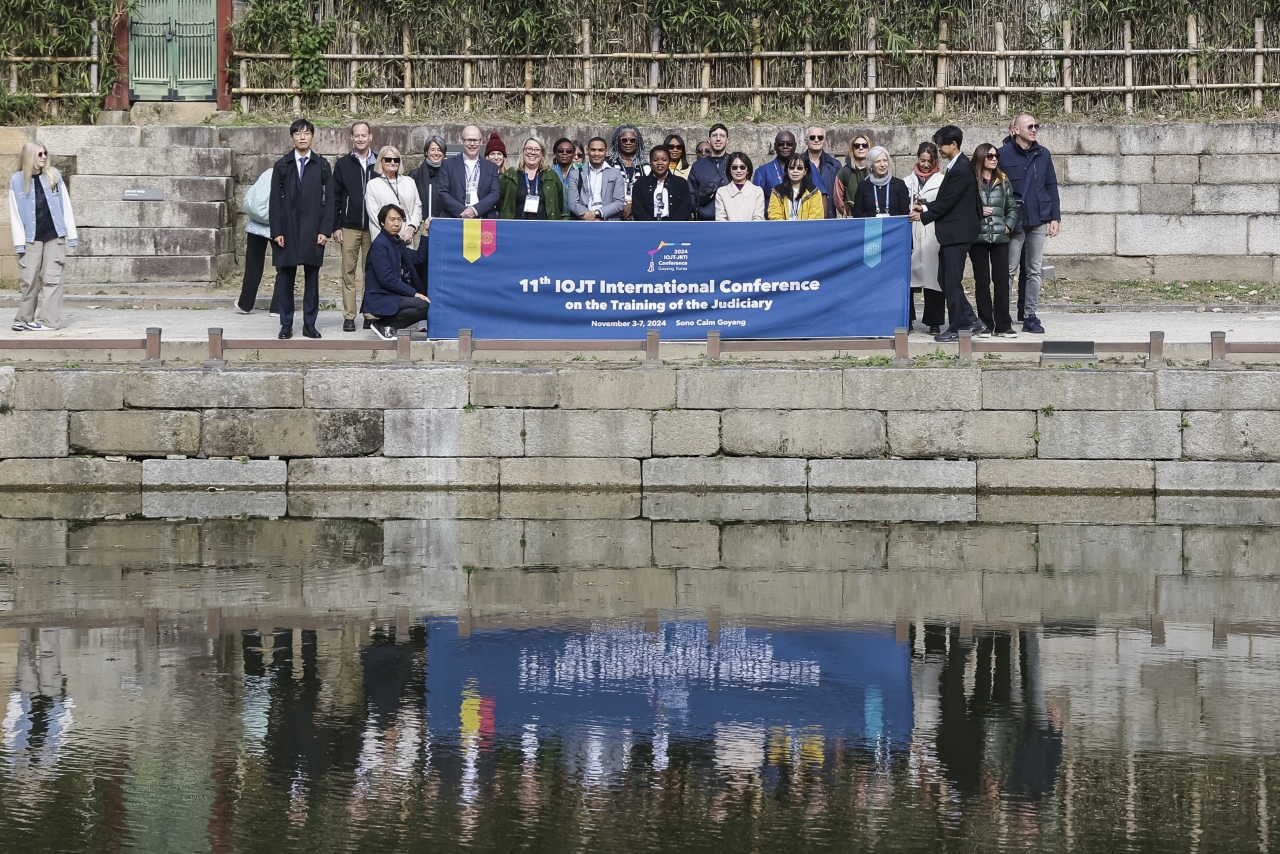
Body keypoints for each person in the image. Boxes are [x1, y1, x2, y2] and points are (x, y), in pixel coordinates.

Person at [910, 125, 981, 343]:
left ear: (954, 145)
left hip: (957, 233)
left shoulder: (960, 168)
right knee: (945, 278)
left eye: (941, 144)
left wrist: (924, 215)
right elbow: (947, 199)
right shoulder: (956, 165)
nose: (939, 148)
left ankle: (959, 325)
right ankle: (971, 319)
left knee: (951, 280)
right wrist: (926, 207)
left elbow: (948, 202)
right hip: (952, 232)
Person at [269, 118, 332, 340]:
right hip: (287, 229)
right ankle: (286, 324)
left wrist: (325, 230)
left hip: (313, 230)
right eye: (298, 133)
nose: (302, 137)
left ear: (312, 136)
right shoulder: (282, 166)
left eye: (306, 133)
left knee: (312, 278)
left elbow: (330, 201)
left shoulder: (322, 166)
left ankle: (309, 324)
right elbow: (274, 202)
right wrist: (276, 231)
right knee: (285, 277)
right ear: (292, 137)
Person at [998, 113, 1061, 334]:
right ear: (1015, 131)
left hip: (1038, 218)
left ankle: (1030, 315)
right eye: (1029, 126)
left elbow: (1051, 185)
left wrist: (1055, 217)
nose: (1034, 130)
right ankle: (1002, 315)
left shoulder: (1043, 154)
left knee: (1034, 270)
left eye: (1036, 126)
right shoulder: (1002, 154)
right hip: (1014, 220)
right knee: (1008, 270)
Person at [8, 141, 75, 331]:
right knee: (28, 279)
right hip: (30, 238)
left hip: (54, 236)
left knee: (53, 279)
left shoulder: (54, 176)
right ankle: (23, 319)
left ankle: (48, 321)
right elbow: (15, 214)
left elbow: (66, 206)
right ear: (30, 156)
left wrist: (71, 234)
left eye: (45, 153)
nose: (44, 157)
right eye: (39, 154)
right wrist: (19, 243)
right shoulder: (16, 180)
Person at [331, 121, 378, 332]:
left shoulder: (379, 162)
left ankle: (369, 314)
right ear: (352, 138)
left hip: (374, 226)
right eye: (356, 135)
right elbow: (335, 197)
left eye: (364, 135)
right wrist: (335, 225)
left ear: (370, 137)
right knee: (348, 272)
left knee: (371, 271)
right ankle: (349, 316)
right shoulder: (342, 164)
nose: (360, 138)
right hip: (349, 226)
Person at [970, 143, 1019, 337]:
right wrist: (978, 211)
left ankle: (1003, 324)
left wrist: (1008, 225)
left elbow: (1012, 207)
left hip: (1000, 237)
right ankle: (985, 323)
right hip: (977, 237)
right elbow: (964, 206)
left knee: (1001, 281)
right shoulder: (972, 181)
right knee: (982, 281)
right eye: (990, 156)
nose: (994, 159)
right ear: (981, 157)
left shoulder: (1003, 180)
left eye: (996, 155)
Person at [362, 203, 430, 341]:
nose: (397, 223)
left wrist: (425, 232)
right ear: (382, 222)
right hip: (380, 297)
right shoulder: (379, 245)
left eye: (399, 219)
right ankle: (383, 325)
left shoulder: (396, 242)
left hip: (394, 295)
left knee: (428, 305)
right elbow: (387, 279)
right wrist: (415, 294)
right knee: (423, 305)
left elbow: (419, 258)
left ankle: (386, 326)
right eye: (392, 219)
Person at [903, 142, 947, 333]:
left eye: (930, 161)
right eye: (922, 160)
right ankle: (908, 319)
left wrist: (926, 209)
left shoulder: (942, 181)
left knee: (934, 278)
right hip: (912, 231)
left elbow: (945, 205)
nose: (926, 165)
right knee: (908, 279)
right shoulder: (906, 182)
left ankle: (934, 321)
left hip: (932, 232)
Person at [234, 168, 285, 317]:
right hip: (279, 229)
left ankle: (245, 304)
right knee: (284, 268)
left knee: (253, 266)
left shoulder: (267, 172)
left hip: (256, 226)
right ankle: (277, 307)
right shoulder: (292, 175)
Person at [438, 125, 501, 219]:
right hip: (455, 218)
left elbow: (494, 194)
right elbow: (442, 193)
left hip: (482, 218)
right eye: (468, 140)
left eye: (475, 140)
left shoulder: (491, 167)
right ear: (461, 140)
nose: (472, 144)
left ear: (481, 141)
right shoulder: (448, 165)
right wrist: (464, 212)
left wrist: (475, 210)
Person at [498, 137, 567, 220]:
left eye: (537, 149)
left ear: (542, 154)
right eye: (529, 149)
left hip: (544, 228)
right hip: (515, 228)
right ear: (523, 151)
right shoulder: (509, 175)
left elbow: (559, 202)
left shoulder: (551, 175)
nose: (533, 152)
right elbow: (500, 202)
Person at [365, 145, 422, 244]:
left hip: (406, 236)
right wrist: (393, 233)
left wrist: (411, 228)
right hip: (383, 236)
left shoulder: (409, 181)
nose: (392, 162)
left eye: (396, 160)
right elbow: (374, 214)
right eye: (388, 159)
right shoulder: (373, 184)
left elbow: (417, 207)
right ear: (381, 161)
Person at [567, 137, 626, 221]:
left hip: (609, 222)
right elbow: (572, 204)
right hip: (584, 221)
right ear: (587, 151)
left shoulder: (616, 173)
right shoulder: (575, 174)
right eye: (593, 150)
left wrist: (596, 214)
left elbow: (619, 203)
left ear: (606, 152)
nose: (596, 153)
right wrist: (590, 217)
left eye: (600, 150)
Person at [632, 145, 691, 221]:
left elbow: (686, 207)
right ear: (650, 162)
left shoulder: (681, 183)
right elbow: (637, 209)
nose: (660, 163)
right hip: (648, 228)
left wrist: (671, 225)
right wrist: (651, 226)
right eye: (655, 160)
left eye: (664, 160)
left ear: (669, 161)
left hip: (674, 228)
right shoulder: (640, 184)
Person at [850, 145, 911, 218]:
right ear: (871, 165)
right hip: (871, 228)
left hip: (893, 228)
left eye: (885, 161)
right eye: (878, 161)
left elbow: (905, 215)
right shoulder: (863, 186)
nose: (882, 165)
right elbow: (857, 216)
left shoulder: (899, 185)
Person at [688, 124, 730, 221]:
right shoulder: (698, 166)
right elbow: (691, 194)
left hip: (731, 221)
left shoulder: (735, 163)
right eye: (714, 135)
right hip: (705, 221)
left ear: (727, 140)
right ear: (709, 140)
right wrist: (698, 210)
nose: (718, 139)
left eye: (722, 136)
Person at [608, 125, 649, 219]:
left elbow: (650, 192)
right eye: (624, 140)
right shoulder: (608, 164)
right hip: (613, 215)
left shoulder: (646, 167)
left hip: (639, 215)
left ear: (637, 142)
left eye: (632, 140)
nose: (628, 143)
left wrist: (633, 206)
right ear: (618, 142)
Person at [766, 155, 823, 221]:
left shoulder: (814, 192)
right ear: (787, 170)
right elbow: (774, 215)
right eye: (791, 168)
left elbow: (816, 218)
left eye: (799, 168)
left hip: (807, 230)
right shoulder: (777, 191)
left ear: (805, 171)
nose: (795, 171)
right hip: (783, 229)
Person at [803, 126, 841, 218]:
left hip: (829, 218)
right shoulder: (797, 165)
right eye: (812, 137)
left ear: (825, 140)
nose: (816, 140)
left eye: (820, 137)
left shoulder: (835, 165)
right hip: (804, 219)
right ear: (806, 140)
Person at [715, 152, 765, 222]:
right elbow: (720, 219)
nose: (738, 170)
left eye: (742, 167)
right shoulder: (721, 192)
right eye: (734, 167)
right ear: (729, 170)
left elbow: (758, 219)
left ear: (748, 170)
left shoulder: (757, 191)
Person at [409, 134, 447, 221]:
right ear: (426, 152)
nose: (436, 153)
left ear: (444, 153)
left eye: (440, 150)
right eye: (432, 150)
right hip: (421, 223)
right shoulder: (415, 175)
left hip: (444, 224)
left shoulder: (450, 175)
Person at [834, 132, 873, 217]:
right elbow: (838, 199)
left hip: (872, 218)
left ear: (869, 148)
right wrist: (848, 213)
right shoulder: (844, 173)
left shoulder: (876, 171)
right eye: (857, 146)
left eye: (864, 145)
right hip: (852, 218)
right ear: (852, 149)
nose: (861, 148)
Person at [752, 130, 796, 199]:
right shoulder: (762, 172)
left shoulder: (807, 168)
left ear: (795, 146)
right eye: (781, 144)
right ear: (775, 146)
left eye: (789, 144)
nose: (785, 146)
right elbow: (756, 200)